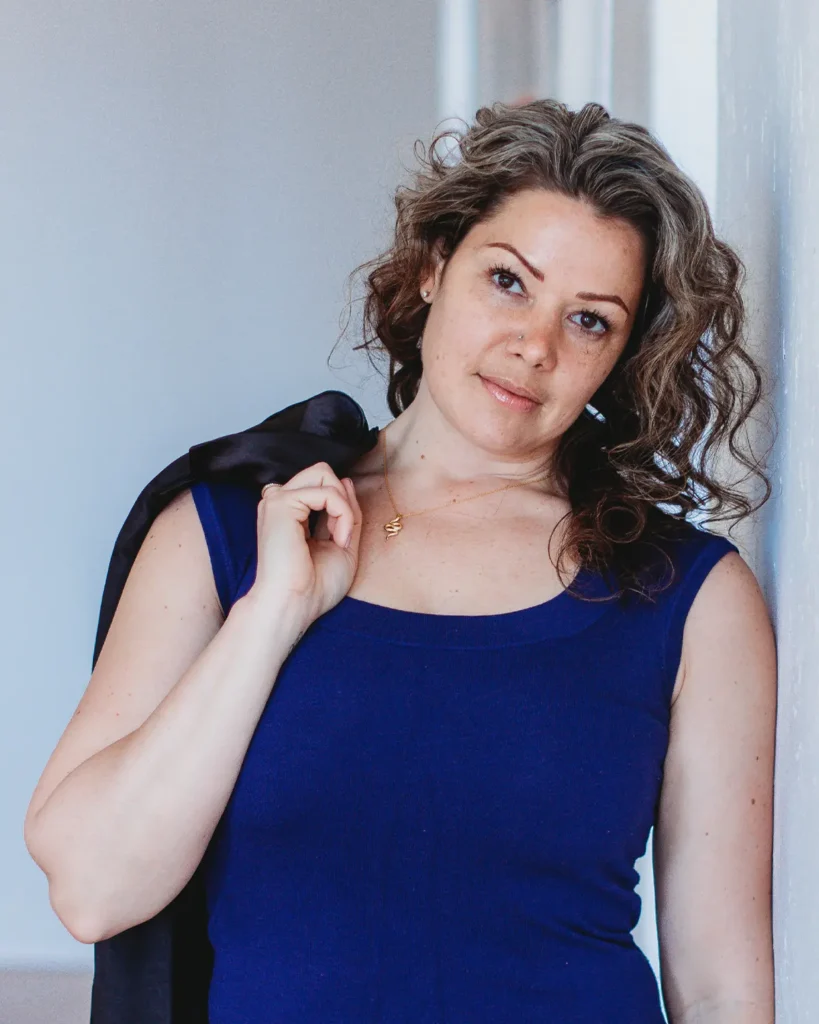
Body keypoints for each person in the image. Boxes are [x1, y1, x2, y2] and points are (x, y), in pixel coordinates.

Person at [24, 99, 776, 1023]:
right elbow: (93, 890)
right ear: (432, 268)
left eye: (588, 321)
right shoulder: (228, 532)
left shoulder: (687, 597)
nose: (532, 345)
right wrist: (271, 617)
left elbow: (721, 987)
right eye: (508, 281)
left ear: (620, 357)